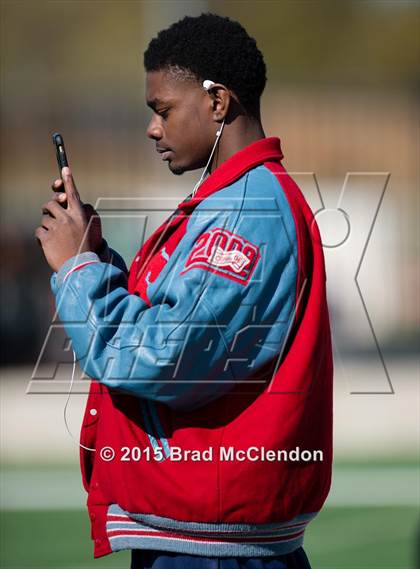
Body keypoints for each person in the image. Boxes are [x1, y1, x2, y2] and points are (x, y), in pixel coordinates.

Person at [35, 13, 333, 569]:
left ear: (218, 102)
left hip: (214, 549)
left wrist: (77, 272)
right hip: (203, 536)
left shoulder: (247, 209)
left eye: (163, 110)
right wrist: (96, 258)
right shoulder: (227, 202)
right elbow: (171, 324)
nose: (152, 128)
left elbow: (166, 359)